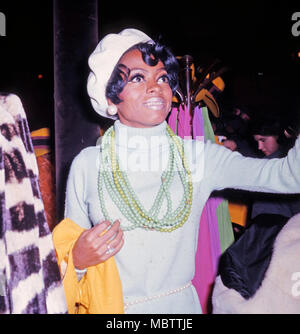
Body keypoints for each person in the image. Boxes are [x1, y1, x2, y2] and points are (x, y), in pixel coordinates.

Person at [53, 28, 300, 314]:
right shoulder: (88, 164)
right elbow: (66, 256)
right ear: (110, 99)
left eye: (162, 78)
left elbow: (289, 175)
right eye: (137, 78)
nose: (155, 87)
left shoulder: (197, 156)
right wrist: (79, 261)